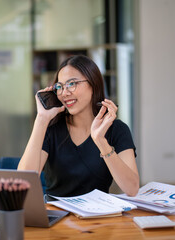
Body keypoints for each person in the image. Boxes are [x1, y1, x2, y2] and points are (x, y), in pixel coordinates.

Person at [18, 55, 139, 197]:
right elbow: (23, 183)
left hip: (98, 215)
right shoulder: (51, 129)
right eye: (60, 87)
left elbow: (132, 189)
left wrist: (101, 141)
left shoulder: (117, 130)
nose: (64, 93)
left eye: (72, 84)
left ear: (93, 84)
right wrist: (41, 119)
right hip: (57, 215)